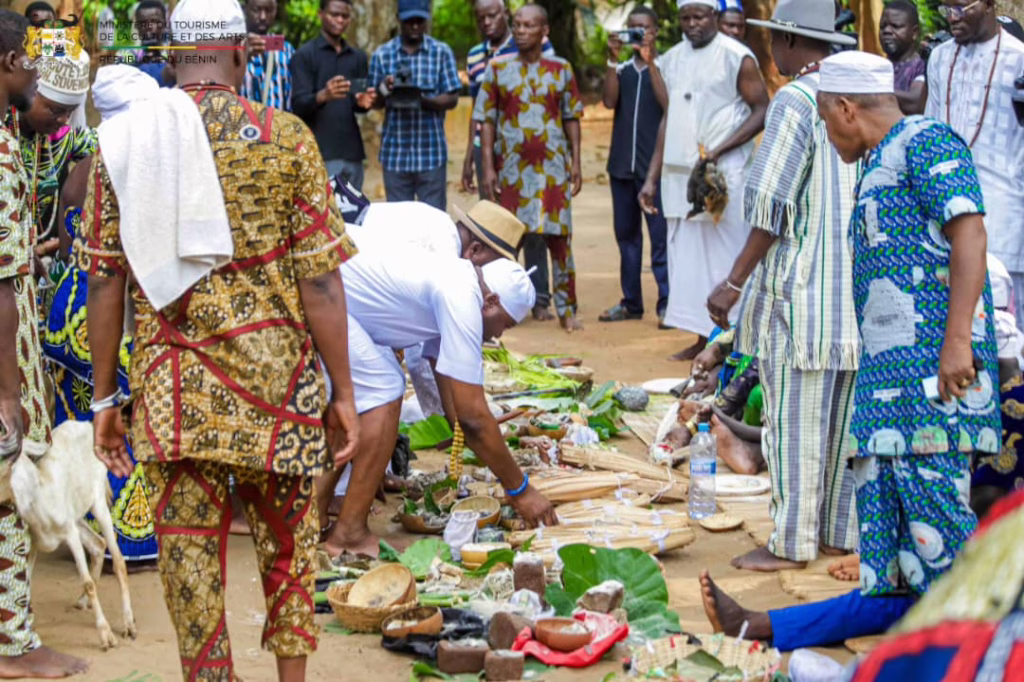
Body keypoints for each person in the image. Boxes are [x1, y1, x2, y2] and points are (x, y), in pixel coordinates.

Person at [78, 0, 360, 678]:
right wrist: (344, 393)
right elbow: (321, 282)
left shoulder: (125, 145)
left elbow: (105, 281)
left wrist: (105, 400)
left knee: (190, 567)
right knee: (290, 553)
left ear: (174, 56)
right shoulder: (287, 136)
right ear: (239, 53)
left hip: (177, 398)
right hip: (279, 389)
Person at [701, 50, 1000, 652]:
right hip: (886, 396)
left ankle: (972, 657)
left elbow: (969, 231)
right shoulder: (876, 162)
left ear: (844, 109)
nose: (826, 132)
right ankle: (766, 627)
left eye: (824, 120)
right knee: (889, 574)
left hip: (932, 391)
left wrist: (958, 342)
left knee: (941, 553)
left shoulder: (928, 142)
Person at [706, 0, 860, 573]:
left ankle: (791, 541)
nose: (770, 49)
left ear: (792, 42)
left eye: (774, 39)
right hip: (852, 295)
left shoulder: (796, 100)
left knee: (794, 422)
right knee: (844, 425)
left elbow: (772, 206)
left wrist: (733, 281)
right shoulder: (856, 98)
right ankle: (840, 533)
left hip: (801, 296)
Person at [317, 252, 557, 557]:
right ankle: (349, 534)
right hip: (325, 295)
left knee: (365, 392)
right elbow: (473, 418)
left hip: (329, 293)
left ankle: (314, 517)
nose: (498, 334)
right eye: (504, 325)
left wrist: (461, 428)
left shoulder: (459, 278)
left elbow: (443, 371)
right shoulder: (463, 297)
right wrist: (520, 490)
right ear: (491, 302)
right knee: (384, 388)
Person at [0, 9, 90, 679]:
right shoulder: (4, 149)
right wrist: (10, 395)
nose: (35, 72)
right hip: (7, 349)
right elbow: (2, 286)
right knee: (11, 483)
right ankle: (15, 642)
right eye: (29, 62)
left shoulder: (29, 141)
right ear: (11, 64)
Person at [42, 64, 161, 568]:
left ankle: (85, 532)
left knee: (79, 419)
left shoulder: (80, 170)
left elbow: (69, 248)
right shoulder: (132, 169)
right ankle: (130, 540)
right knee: (123, 420)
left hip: (68, 312)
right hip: (112, 315)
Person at [638, 0, 768, 361]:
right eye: (685, 18)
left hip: (724, 174)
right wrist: (650, 178)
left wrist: (719, 150)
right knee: (690, 261)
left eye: (699, 16)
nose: (692, 23)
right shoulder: (672, 58)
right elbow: (669, 117)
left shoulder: (737, 57)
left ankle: (732, 342)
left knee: (726, 256)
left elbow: (762, 109)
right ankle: (701, 338)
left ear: (714, 15)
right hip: (681, 177)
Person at [476, 4, 584, 332]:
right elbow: (486, 120)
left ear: (544, 30)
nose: (521, 31)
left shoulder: (561, 69)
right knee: (506, 240)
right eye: (518, 25)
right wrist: (487, 168)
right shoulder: (497, 69)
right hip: (511, 171)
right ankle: (498, 305)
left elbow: (571, 117)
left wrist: (577, 161)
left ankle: (567, 308)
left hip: (553, 170)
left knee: (559, 239)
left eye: (529, 26)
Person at [925, 0, 1024, 327]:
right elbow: (930, 131)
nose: (952, 18)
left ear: (989, 4)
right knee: (950, 326)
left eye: (961, 8)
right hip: (945, 217)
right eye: (946, 9)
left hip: (1004, 220)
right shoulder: (939, 58)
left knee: (1007, 332)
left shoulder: (1019, 58)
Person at [597, 6, 669, 327]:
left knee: (660, 239)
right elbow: (609, 102)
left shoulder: (665, 67)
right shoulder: (623, 69)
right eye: (634, 28)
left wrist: (651, 62)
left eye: (645, 28)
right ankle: (631, 303)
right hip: (621, 168)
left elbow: (668, 105)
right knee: (626, 238)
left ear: (655, 32)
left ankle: (667, 304)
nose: (639, 33)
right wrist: (611, 60)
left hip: (654, 170)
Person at [368, 0, 460, 209]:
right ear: (398, 19)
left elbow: (452, 98)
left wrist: (420, 99)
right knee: (400, 221)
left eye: (420, 20)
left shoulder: (441, 52)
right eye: (410, 21)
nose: (416, 26)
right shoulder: (382, 55)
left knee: (434, 219)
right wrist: (385, 88)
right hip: (395, 155)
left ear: (427, 19)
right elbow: (374, 102)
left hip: (431, 153)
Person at [8, 49, 95, 265]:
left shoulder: (65, 137)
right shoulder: (5, 129)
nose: (64, 120)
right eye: (55, 110)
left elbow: (111, 148)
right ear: (32, 92)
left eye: (70, 112)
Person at [461, 0, 554, 198]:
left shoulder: (534, 42)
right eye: (481, 18)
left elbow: (552, 92)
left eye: (492, 15)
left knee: (529, 205)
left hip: (526, 142)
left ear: (506, 13)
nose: (487, 22)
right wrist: (470, 156)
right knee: (491, 209)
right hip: (485, 147)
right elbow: (477, 108)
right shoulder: (475, 56)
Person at [292, 0, 375, 189]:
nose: (340, 20)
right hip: (320, 152)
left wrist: (364, 102)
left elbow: (357, 105)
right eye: (334, 15)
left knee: (355, 206)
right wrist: (323, 96)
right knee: (324, 207)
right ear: (320, 14)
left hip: (352, 152)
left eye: (345, 16)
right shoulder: (304, 55)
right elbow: (297, 105)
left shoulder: (357, 57)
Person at [240, 0, 295, 111]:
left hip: (279, 121)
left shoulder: (287, 50)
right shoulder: (232, 48)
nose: (263, 17)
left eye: (268, 10)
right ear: (245, 9)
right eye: (256, 10)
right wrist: (242, 57)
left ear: (275, 11)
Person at [879, 0, 925, 114]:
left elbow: (915, 102)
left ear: (914, 32)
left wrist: (871, 92)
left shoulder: (921, 68)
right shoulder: (877, 66)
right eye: (882, 26)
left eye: (896, 26)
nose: (887, 31)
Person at [133, 0, 171, 86]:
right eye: (143, 23)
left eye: (154, 21)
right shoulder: (126, 57)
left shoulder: (174, 55)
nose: (148, 27)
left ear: (164, 24)